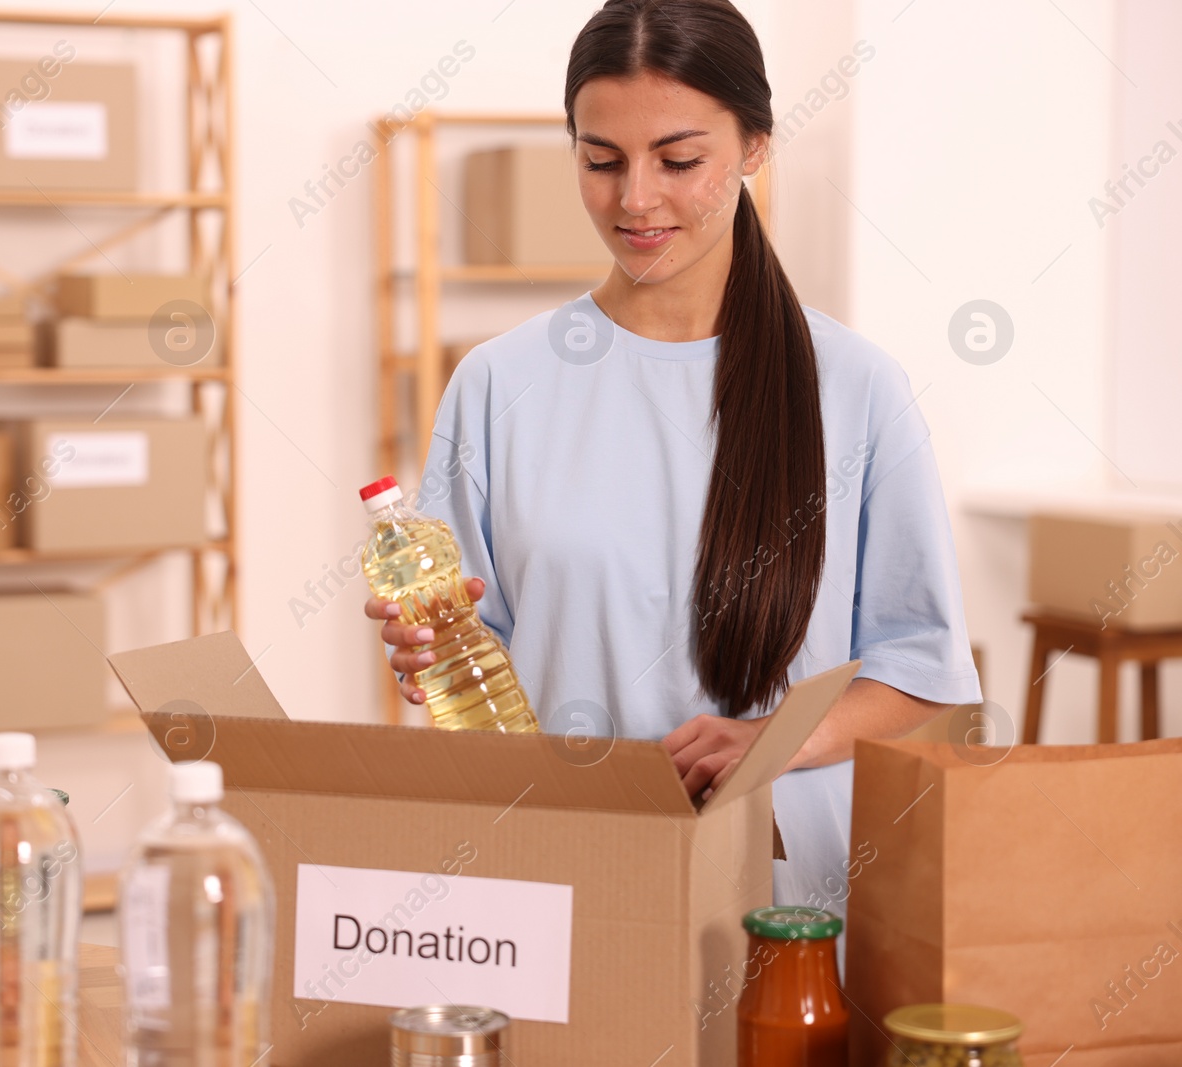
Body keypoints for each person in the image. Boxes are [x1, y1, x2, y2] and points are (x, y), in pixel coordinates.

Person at [363, 0, 980, 925]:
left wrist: (780, 738)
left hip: (784, 892)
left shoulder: (854, 387)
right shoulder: (499, 383)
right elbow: (467, 634)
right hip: (564, 864)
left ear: (755, 147)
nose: (635, 200)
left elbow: (925, 671)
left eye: (679, 161)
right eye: (601, 160)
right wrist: (424, 644)